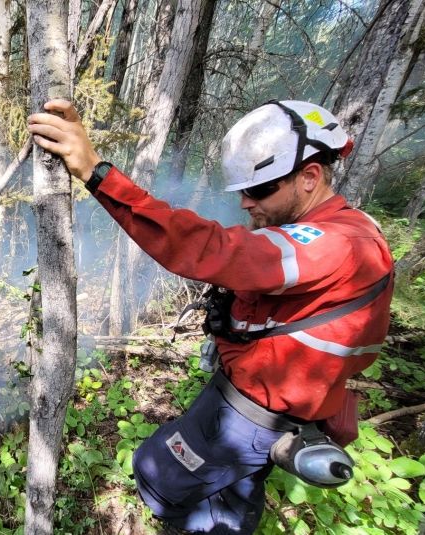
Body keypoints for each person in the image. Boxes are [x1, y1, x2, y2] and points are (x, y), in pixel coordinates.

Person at [27, 99, 394, 534]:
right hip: (250, 408)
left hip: (252, 420)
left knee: (159, 477)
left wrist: (97, 173)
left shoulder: (337, 242)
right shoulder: (339, 231)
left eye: (258, 191)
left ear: (310, 178)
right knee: (210, 497)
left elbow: (213, 250)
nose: (245, 203)